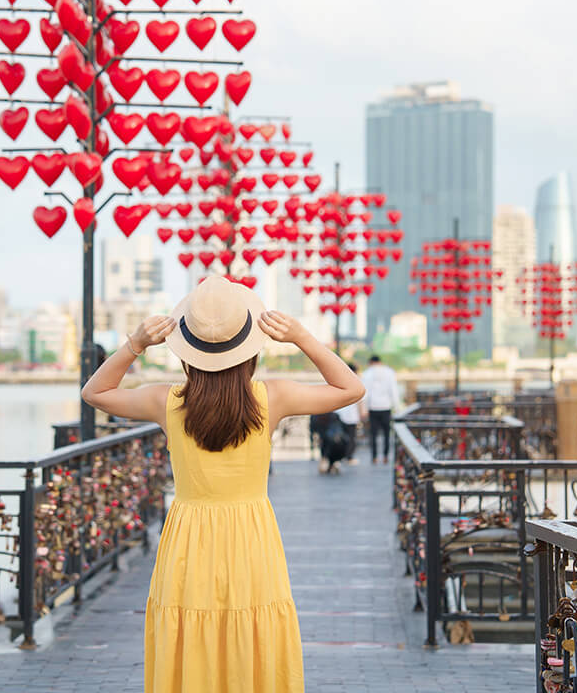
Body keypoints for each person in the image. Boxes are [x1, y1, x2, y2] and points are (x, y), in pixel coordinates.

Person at [81, 276, 365, 693]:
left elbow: (95, 392)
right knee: (253, 632)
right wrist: (301, 336)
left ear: (187, 351)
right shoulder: (272, 397)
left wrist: (136, 344)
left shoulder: (167, 400)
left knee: (190, 633)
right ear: (249, 347)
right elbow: (351, 388)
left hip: (188, 537)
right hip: (251, 535)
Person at [360, 354, 399, 464]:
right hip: (386, 407)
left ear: (370, 362)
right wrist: (396, 408)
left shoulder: (367, 374)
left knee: (373, 434)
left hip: (373, 408)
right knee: (387, 434)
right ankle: (386, 456)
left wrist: (363, 410)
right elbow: (394, 391)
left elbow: (364, 394)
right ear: (380, 362)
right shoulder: (389, 372)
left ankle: (374, 457)